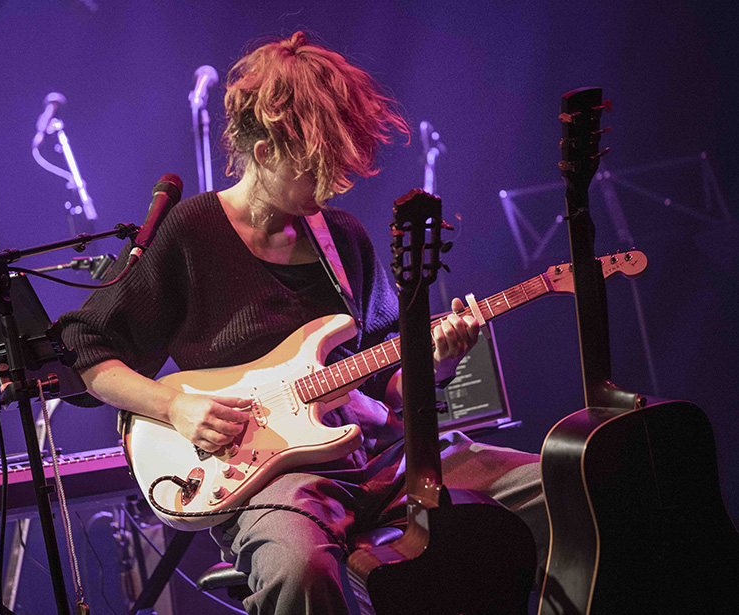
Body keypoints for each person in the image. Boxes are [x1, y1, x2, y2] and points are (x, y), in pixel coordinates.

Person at [60, 31, 547, 615]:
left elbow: (384, 383)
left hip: (382, 459)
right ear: (264, 152)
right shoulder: (191, 231)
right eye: (316, 166)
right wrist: (176, 406)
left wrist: (435, 364)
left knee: (560, 486)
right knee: (300, 568)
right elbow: (85, 351)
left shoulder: (343, 237)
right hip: (276, 484)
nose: (334, 182)